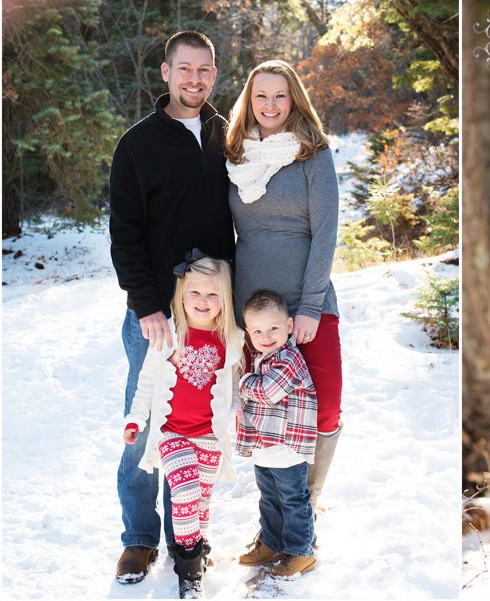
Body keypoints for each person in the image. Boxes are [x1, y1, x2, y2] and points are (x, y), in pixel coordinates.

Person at [109, 30, 234, 583]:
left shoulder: (223, 135)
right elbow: (124, 235)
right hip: (157, 319)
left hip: (210, 317)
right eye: (185, 69)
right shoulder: (138, 144)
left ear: (214, 74)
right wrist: (147, 307)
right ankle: (138, 538)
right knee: (147, 425)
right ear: (165, 72)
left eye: (205, 70)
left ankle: (185, 538)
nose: (195, 79)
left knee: (195, 429)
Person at [225, 60, 342, 542]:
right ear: (249, 101)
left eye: (280, 95)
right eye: (260, 96)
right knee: (262, 410)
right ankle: (274, 523)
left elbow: (326, 233)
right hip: (251, 309)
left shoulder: (312, 154)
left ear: (294, 98)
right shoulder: (234, 155)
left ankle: (306, 507)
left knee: (326, 407)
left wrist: (310, 305)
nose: (270, 105)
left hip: (306, 301)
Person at [123, 253, 244, 598]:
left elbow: (233, 386)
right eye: (195, 293)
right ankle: (188, 569)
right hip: (172, 433)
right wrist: (136, 418)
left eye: (212, 295)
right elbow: (145, 381)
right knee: (186, 491)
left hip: (209, 436)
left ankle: (199, 550)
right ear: (181, 295)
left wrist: (236, 408)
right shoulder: (170, 334)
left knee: (202, 502)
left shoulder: (230, 340)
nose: (203, 302)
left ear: (224, 299)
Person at [235, 290, 319, 578]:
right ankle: (271, 542)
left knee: (293, 500)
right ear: (248, 332)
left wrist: (244, 381)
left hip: (287, 446)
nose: (266, 335)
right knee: (269, 497)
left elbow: (267, 392)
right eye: (257, 330)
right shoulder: (261, 358)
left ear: (289, 326)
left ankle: (300, 552)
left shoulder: (289, 358)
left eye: (273, 327)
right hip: (265, 445)